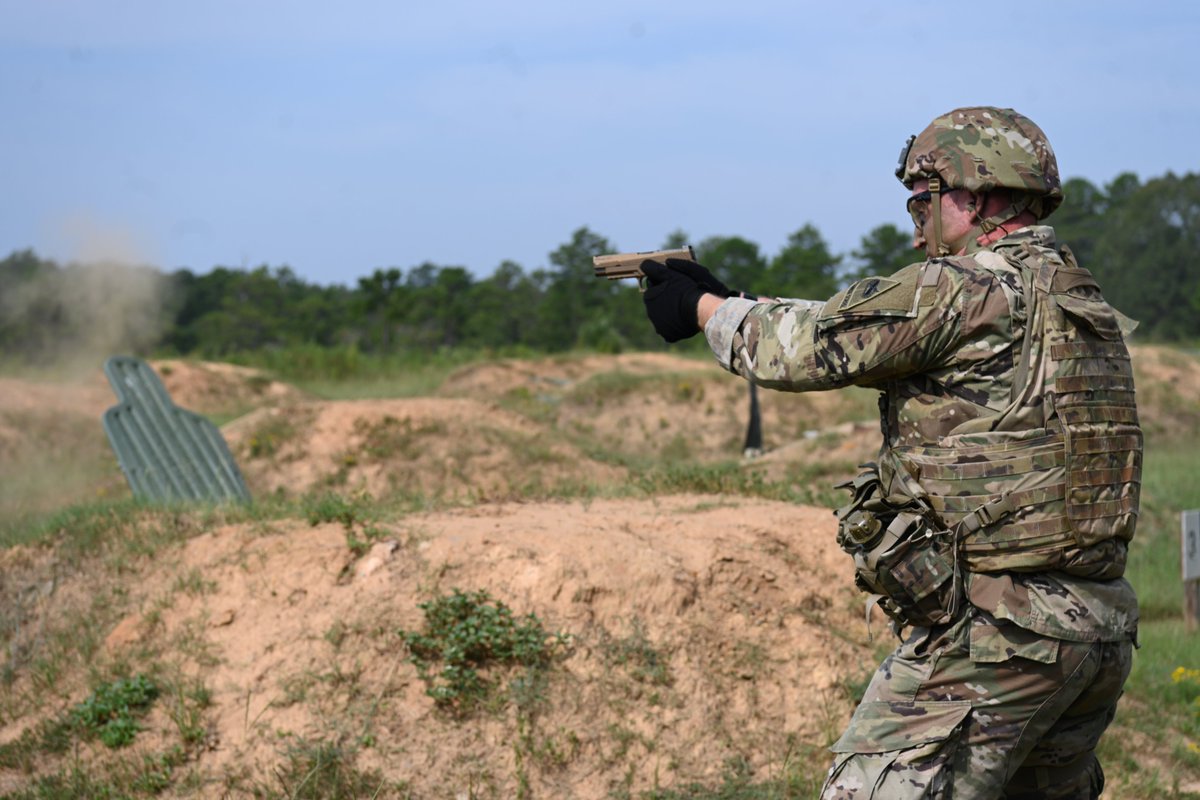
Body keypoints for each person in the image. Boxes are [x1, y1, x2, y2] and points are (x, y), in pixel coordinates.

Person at [638, 107, 1140, 800]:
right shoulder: (1087, 304)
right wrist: (733, 302)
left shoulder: (963, 287)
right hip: (1096, 629)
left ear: (975, 196)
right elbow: (864, 330)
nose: (914, 220)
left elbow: (809, 346)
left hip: (998, 635)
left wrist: (700, 309)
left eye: (921, 198)